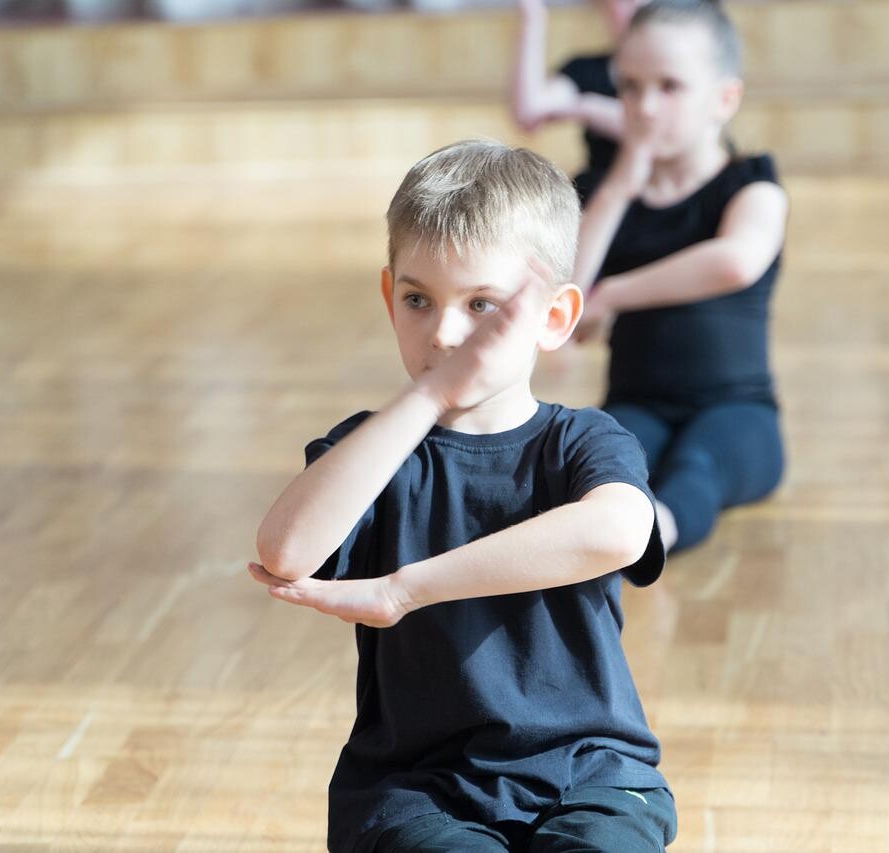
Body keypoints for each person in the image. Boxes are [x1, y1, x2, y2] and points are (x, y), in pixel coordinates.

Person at [248, 139, 677, 853]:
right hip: (416, 790)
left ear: (554, 317)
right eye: (418, 299)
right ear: (388, 298)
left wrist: (404, 590)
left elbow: (619, 531)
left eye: (482, 305)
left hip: (593, 776)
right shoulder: (369, 451)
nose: (445, 333)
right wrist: (430, 395)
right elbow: (285, 552)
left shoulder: (585, 442)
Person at [571, 0, 789, 553]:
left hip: (737, 411)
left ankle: (651, 539)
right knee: (600, 466)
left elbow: (735, 260)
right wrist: (619, 187)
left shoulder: (751, 186)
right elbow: (567, 305)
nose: (645, 108)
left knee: (698, 465)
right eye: (630, 87)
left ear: (724, 99)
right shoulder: (600, 197)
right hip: (637, 404)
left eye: (669, 87)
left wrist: (615, 293)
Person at [511, 0, 644, 198]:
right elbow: (529, 112)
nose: (636, 8)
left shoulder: (683, 70)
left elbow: (655, 132)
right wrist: (533, 18)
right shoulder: (586, 69)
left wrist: (587, 107)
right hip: (598, 193)